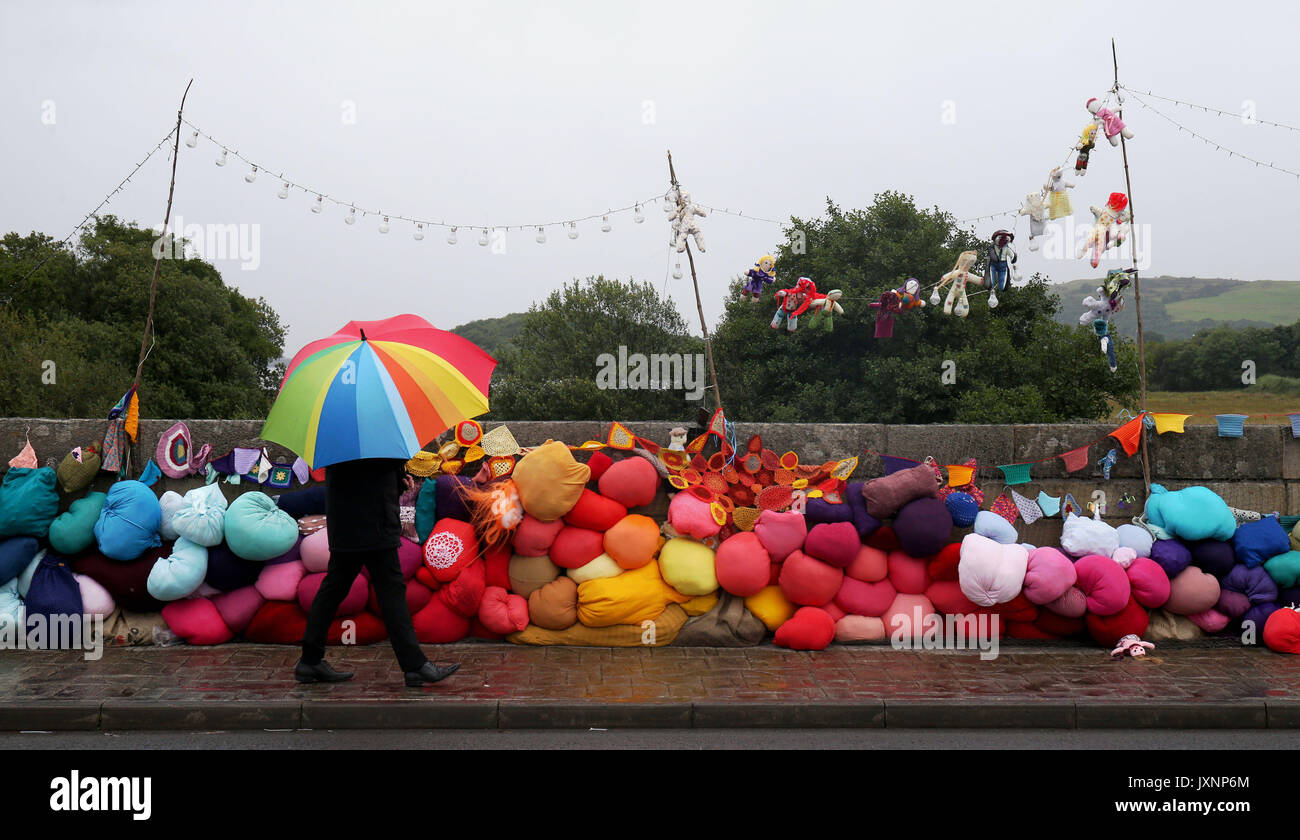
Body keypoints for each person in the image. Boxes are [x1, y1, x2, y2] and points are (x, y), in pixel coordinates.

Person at [295, 457, 459, 687]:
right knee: (391, 593)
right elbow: (374, 477)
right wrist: (397, 479)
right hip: (375, 526)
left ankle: (310, 660)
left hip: (345, 527)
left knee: (334, 589)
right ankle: (415, 666)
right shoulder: (377, 439)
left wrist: (398, 479)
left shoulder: (335, 440)